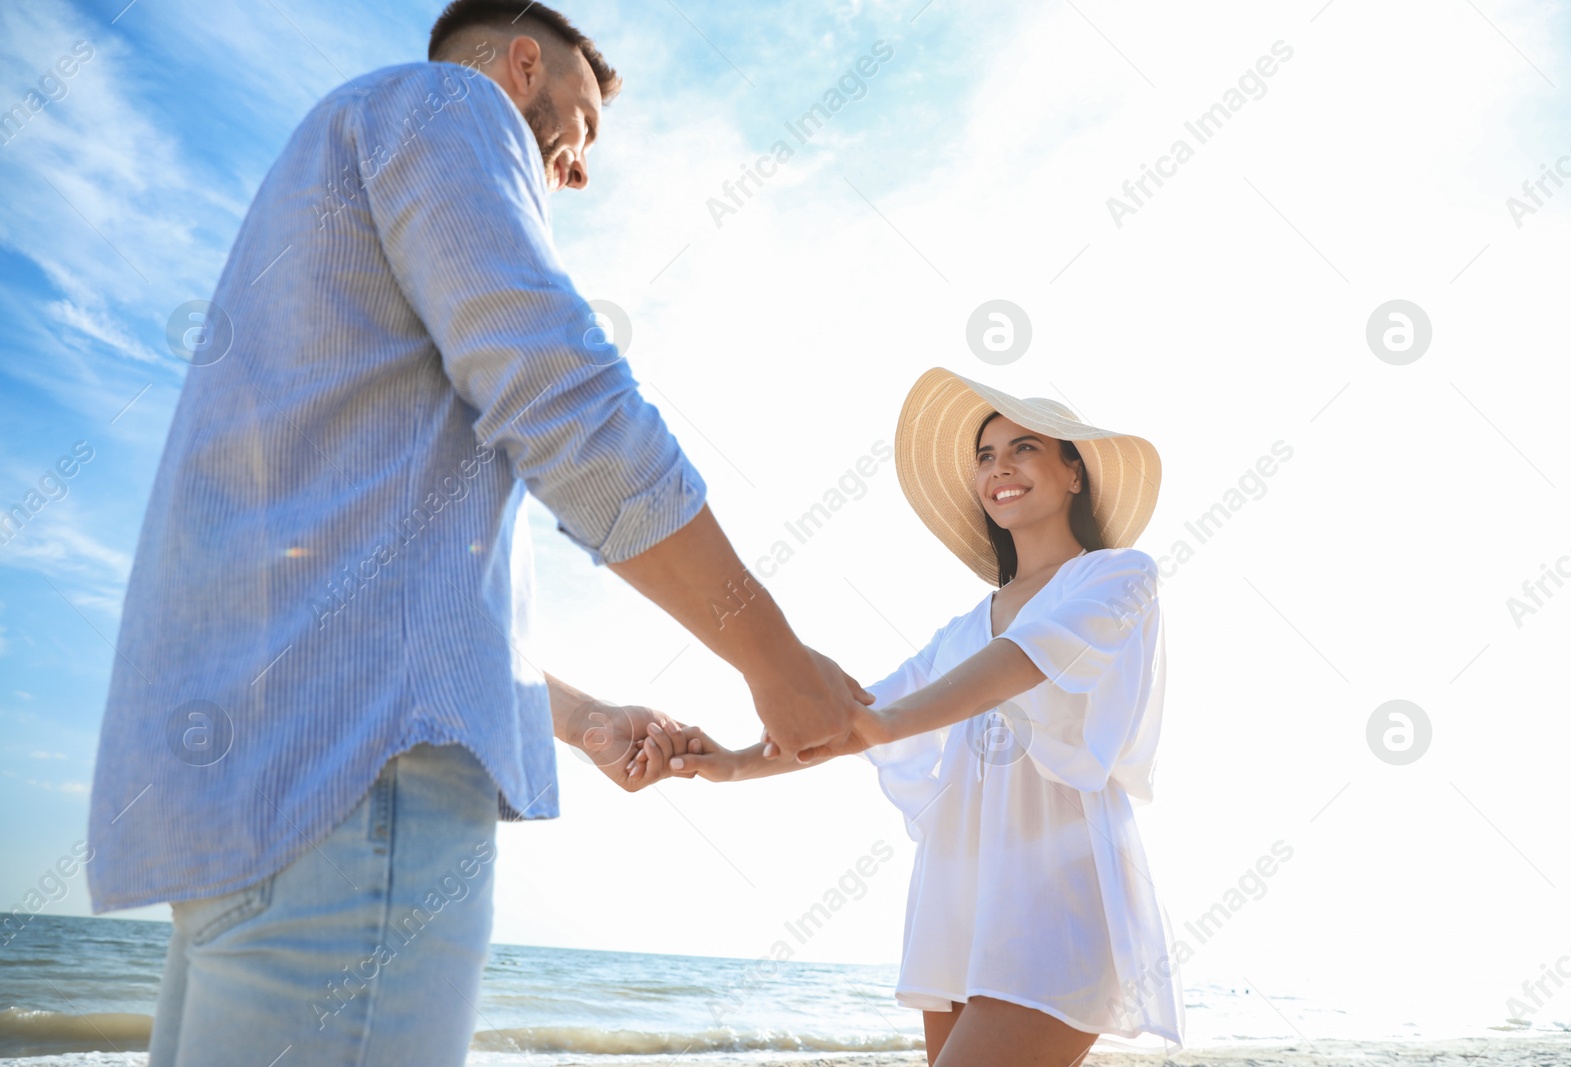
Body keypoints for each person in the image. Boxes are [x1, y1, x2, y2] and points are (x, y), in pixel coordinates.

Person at [85, 3, 869, 1064]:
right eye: (583, 125)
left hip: (248, 816)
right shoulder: (447, 103)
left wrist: (584, 717)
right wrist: (774, 660)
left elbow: (366, 589)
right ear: (521, 63)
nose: (580, 168)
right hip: (358, 801)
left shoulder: (319, 180)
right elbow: (563, 397)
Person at [651, 368, 1185, 1067]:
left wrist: (885, 724)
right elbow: (856, 716)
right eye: (986, 456)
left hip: (1060, 904)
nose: (1001, 469)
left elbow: (1026, 658)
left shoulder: (1119, 576)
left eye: (1024, 448)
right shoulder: (962, 630)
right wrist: (728, 762)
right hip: (960, 907)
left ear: (1074, 473)